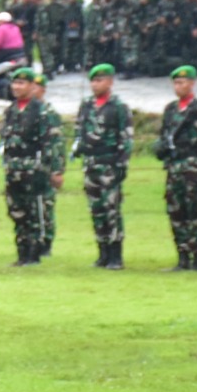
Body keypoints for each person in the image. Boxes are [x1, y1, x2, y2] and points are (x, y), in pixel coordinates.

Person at [0, 67, 66, 265]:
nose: (16, 87)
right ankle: (21, 251)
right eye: (14, 83)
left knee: (34, 211)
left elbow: (52, 142)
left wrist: (55, 170)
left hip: (34, 167)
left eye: (21, 83)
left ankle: (34, 252)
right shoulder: (11, 110)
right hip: (14, 168)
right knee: (16, 210)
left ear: (31, 86)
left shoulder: (42, 111)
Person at [74, 62, 133, 268]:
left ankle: (116, 254)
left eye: (99, 80)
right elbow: (79, 130)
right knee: (96, 209)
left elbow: (126, 138)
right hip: (91, 164)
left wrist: (121, 165)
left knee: (111, 209)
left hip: (110, 164)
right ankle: (103, 252)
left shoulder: (118, 107)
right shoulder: (87, 105)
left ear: (110, 81)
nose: (95, 84)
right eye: (93, 80)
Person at [157, 65, 197, 271]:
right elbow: (164, 136)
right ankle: (182, 257)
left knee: (194, 213)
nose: (178, 86)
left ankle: (196, 257)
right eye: (176, 83)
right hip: (174, 166)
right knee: (176, 212)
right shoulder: (170, 109)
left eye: (182, 82)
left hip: (193, 167)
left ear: (192, 84)